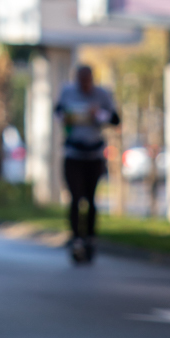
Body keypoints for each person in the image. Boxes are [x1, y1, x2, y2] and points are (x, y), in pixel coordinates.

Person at [55, 63, 121, 263]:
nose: (84, 85)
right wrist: (67, 116)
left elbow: (115, 119)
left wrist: (98, 114)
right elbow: (57, 111)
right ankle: (76, 238)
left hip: (93, 154)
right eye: (80, 80)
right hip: (73, 152)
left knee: (91, 200)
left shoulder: (102, 95)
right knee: (75, 198)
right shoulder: (67, 92)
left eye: (87, 80)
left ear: (92, 79)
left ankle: (90, 238)